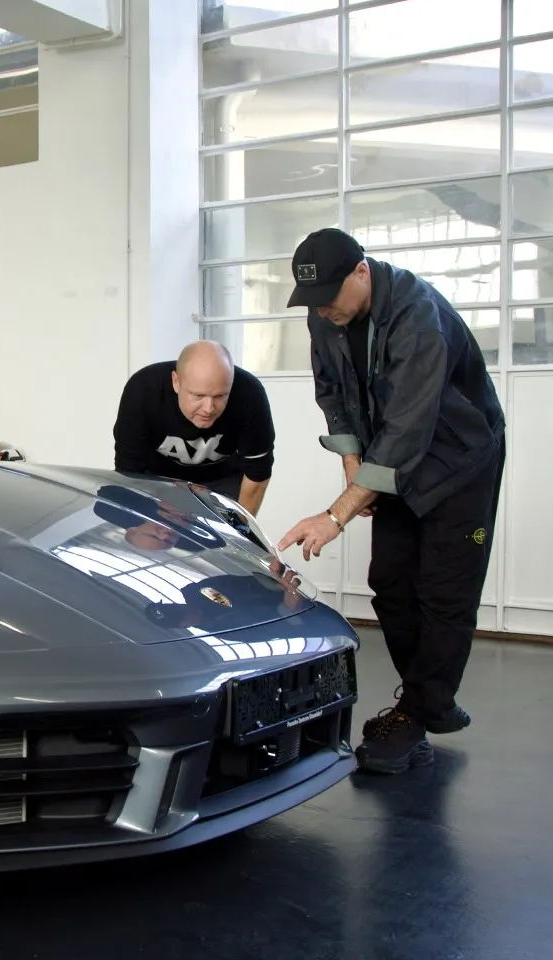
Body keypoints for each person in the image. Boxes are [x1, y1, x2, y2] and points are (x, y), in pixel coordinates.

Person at [273, 228, 506, 776]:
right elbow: (332, 392)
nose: (323, 308)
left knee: (443, 594)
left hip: (458, 463)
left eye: (332, 293)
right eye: (314, 299)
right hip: (389, 462)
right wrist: (355, 469)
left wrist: (337, 514)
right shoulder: (324, 312)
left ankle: (417, 716)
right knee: (392, 584)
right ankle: (427, 703)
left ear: (362, 272)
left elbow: (407, 430)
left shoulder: (417, 315)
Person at [112, 340, 275, 513]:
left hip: (224, 479)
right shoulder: (143, 391)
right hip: (157, 478)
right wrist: (145, 516)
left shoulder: (250, 394)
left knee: (226, 535)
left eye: (220, 396)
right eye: (198, 395)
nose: (209, 408)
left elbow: (257, 476)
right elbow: (128, 473)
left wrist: (241, 531)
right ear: (176, 382)